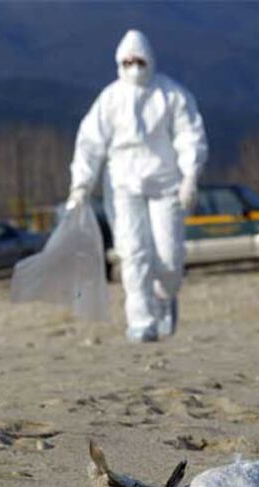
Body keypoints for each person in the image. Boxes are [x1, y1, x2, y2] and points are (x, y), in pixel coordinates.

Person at [67, 29, 208, 342]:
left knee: (169, 257)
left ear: (150, 60)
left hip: (165, 183)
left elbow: (189, 135)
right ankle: (141, 321)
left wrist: (190, 176)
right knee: (133, 252)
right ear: (119, 62)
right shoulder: (110, 99)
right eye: (127, 61)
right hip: (122, 185)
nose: (134, 66)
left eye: (139, 60)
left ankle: (164, 296)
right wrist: (81, 184)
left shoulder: (171, 94)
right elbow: (90, 142)